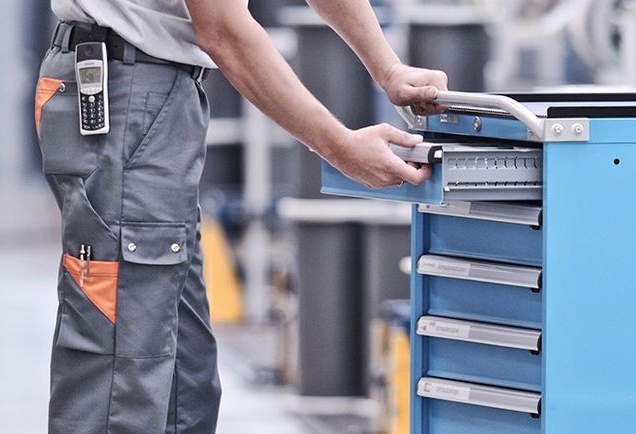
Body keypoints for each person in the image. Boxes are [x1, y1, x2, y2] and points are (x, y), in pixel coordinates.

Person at [33, 0, 446, 431]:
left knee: (185, 393)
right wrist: (340, 148)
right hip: (127, 93)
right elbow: (224, 30)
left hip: (152, 95)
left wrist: (388, 69)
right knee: (121, 389)